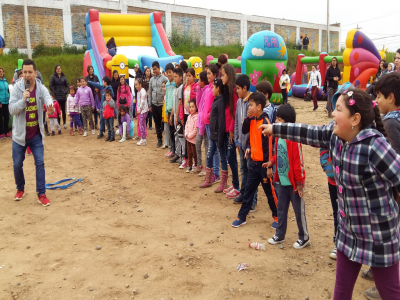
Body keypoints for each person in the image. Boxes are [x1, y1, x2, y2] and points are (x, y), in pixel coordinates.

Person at [260, 89, 400, 300]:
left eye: (338, 109)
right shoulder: (335, 136)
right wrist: (275, 128)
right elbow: (307, 132)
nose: (332, 114)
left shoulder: (375, 146)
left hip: (378, 238)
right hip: (348, 234)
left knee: (390, 294)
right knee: (340, 294)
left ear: (355, 119)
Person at [362, 72, 400, 300]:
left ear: (392, 97)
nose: (377, 101)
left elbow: (390, 161)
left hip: (391, 192)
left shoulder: (390, 123)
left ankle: (384, 284)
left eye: (379, 96)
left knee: (386, 236)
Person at [9, 59, 55, 206]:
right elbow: (11, 110)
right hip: (19, 136)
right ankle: (20, 188)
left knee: (40, 163)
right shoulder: (17, 88)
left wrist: (50, 105)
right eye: (24, 72)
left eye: (30, 72)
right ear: (21, 74)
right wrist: (23, 101)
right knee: (17, 165)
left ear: (35, 73)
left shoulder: (41, 88)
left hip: (35, 135)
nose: (27, 75)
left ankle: (41, 193)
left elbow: (47, 97)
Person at [231, 92, 278, 228]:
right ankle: (242, 216)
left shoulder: (266, 122)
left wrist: (269, 166)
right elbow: (245, 130)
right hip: (253, 163)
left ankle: (277, 216)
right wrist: (248, 117)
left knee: (270, 193)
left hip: (264, 164)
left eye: (251, 105)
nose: (249, 107)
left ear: (259, 106)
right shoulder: (251, 119)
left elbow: (268, 146)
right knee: (248, 192)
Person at [266, 104, 309, 249]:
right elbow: (279, 154)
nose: (276, 122)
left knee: (298, 211)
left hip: (293, 183)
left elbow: (298, 163)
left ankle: (304, 237)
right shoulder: (279, 137)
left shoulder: (293, 139)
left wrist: (299, 183)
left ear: (288, 123)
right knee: (281, 209)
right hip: (282, 181)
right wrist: (271, 162)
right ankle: (280, 234)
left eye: (279, 119)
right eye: (276, 119)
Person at [234, 74, 257, 210]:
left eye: (238, 88)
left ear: (245, 88)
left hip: (250, 146)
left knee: (251, 172)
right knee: (243, 169)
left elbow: (253, 126)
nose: (236, 91)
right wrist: (238, 140)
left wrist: (249, 144)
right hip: (241, 144)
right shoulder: (238, 102)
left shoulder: (252, 103)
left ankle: (252, 200)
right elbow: (238, 121)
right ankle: (244, 194)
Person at [199, 78, 226, 190]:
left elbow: (221, 119)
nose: (212, 89)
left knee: (222, 157)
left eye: (214, 87)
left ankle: (223, 182)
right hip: (213, 135)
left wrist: (220, 136)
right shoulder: (217, 100)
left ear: (218, 88)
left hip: (217, 136)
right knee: (209, 156)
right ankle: (209, 179)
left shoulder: (220, 101)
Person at [220, 64, 239, 195]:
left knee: (231, 158)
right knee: (229, 157)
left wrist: (232, 130)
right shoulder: (226, 91)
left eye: (223, 75)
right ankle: (234, 184)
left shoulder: (234, 91)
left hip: (232, 131)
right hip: (226, 130)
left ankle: (237, 187)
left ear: (229, 76)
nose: (221, 77)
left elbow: (235, 112)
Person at [202, 64, 221, 182]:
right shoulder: (209, 87)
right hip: (206, 122)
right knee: (210, 148)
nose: (207, 75)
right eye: (207, 73)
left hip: (211, 122)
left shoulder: (215, 88)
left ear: (215, 75)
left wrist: (209, 116)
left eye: (209, 73)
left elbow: (216, 106)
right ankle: (212, 171)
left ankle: (216, 173)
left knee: (214, 149)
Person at [319, 146, 338, 259]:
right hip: (333, 181)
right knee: (337, 212)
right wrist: (327, 165)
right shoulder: (331, 131)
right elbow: (323, 146)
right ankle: (338, 243)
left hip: (351, 182)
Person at [179, 68, 198, 169]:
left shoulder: (196, 87)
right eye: (186, 75)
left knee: (193, 140)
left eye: (190, 75)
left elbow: (198, 101)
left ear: (194, 77)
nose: (187, 77)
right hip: (186, 114)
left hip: (194, 115)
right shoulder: (184, 87)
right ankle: (186, 159)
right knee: (186, 137)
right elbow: (182, 102)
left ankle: (195, 161)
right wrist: (181, 116)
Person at [148, 61, 168, 147]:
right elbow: (150, 92)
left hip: (162, 104)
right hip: (154, 104)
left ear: (159, 68)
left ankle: (167, 141)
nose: (154, 71)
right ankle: (159, 139)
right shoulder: (151, 80)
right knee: (156, 123)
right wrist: (150, 104)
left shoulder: (164, 79)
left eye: (155, 69)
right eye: (153, 69)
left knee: (164, 122)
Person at [194, 71, 209, 174]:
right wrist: (199, 89)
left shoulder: (208, 91)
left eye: (199, 80)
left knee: (207, 145)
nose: (197, 81)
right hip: (200, 121)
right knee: (198, 142)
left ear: (203, 82)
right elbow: (198, 104)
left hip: (206, 122)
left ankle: (207, 167)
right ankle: (199, 164)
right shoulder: (200, 89)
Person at [169, 68, 185, 164]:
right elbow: (174, 104)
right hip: (174, 115)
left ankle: (183, 156)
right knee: (176, 136)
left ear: (180, 77)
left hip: (178, 116)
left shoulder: (181, 88)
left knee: (180, 136)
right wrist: (171, 115)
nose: (174, 78)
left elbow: (179, 103)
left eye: (176, 77)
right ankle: (178, 154)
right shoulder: (175, 88)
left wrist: (177, 117)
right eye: (173, 76)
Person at [49, 64, 69, 129]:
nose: (58, 70)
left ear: (61, 69)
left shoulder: (64, 76)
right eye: (57, 69)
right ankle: (58, 124)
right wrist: (54, 92)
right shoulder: (53, 76)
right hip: (57, 96)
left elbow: (67, 86)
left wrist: (65, 92)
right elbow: (50, 85)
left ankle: (65, 123)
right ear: (55, 70)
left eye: (59, 68)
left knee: (63, 110)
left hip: (63, 95)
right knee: (57, 110)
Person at [164, 63, 176, 158]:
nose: (168, 74)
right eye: (167, 72)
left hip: (174, 111)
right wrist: (166, 111)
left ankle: (175, 150)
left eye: (170, 72)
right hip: (168, 110)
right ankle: (172, 149)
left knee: (174, 131)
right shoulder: (167, 84)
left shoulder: (175, 84)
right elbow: (166, 98)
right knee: (170, 131)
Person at [185, 99, 198, 173]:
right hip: (188, 139)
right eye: (190, 107)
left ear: (196, 107)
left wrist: (189, 136)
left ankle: (196, 165)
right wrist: (186, 134)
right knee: (189, 153)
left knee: (194, 153)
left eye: (193, 106)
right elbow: (186, 126)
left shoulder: (197, 117)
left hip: (193, 140)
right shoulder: (189, 116)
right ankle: (189, 165)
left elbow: (195, 130)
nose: (191, 108)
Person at [135, 78, 148, 146]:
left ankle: (143, 139)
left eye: (137, 84)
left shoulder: (143, 91)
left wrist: (139, 110)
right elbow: (138, 102)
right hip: (141, 111)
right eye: (135, 85)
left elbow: (142, 101)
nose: (136, 86)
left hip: (143, 110)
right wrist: (137, 110)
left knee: (141, 124)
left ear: (140, 84)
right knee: (141, 124)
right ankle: (143, 139)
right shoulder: (138, 92)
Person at [0, 67, 10, 138]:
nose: (1, 73)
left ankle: (7, 132)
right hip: (1, 102)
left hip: (7, 102)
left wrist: (9, 100)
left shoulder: (5, 81)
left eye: (2, 71)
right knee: (0, 118)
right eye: (0, 71)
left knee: (6, 117)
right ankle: (1, 133)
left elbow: (8, 91)